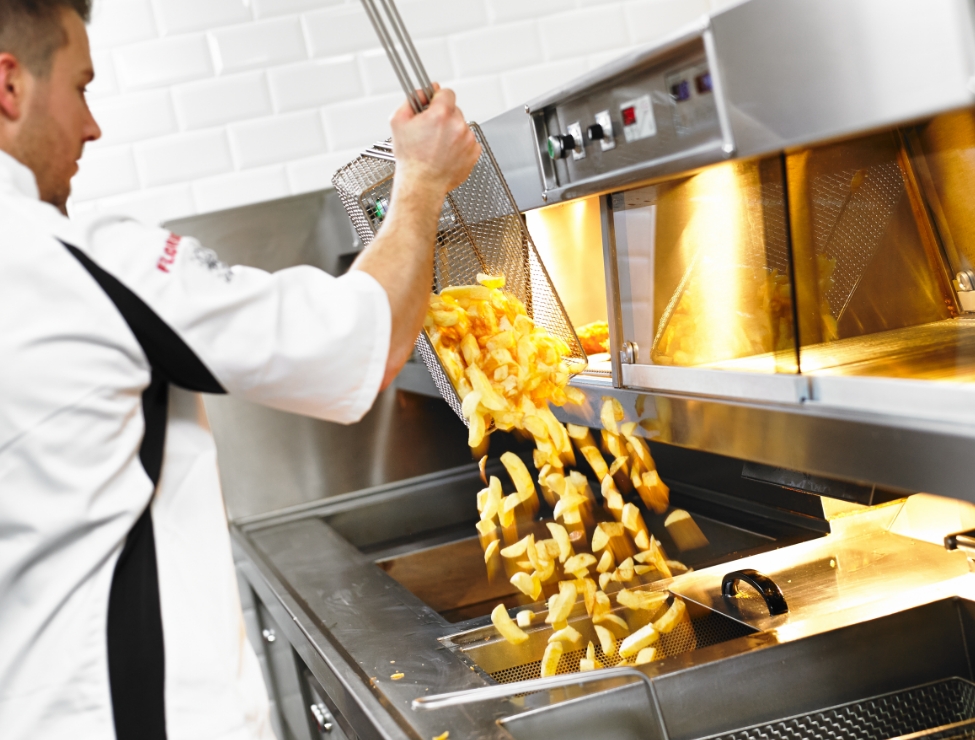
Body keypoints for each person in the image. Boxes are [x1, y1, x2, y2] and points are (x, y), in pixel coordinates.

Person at [0, 0, 481, 738]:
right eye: (81, 87)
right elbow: (361, 343)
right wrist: (419, 181)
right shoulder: (83, 263)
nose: (91, 126)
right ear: (8, 85)